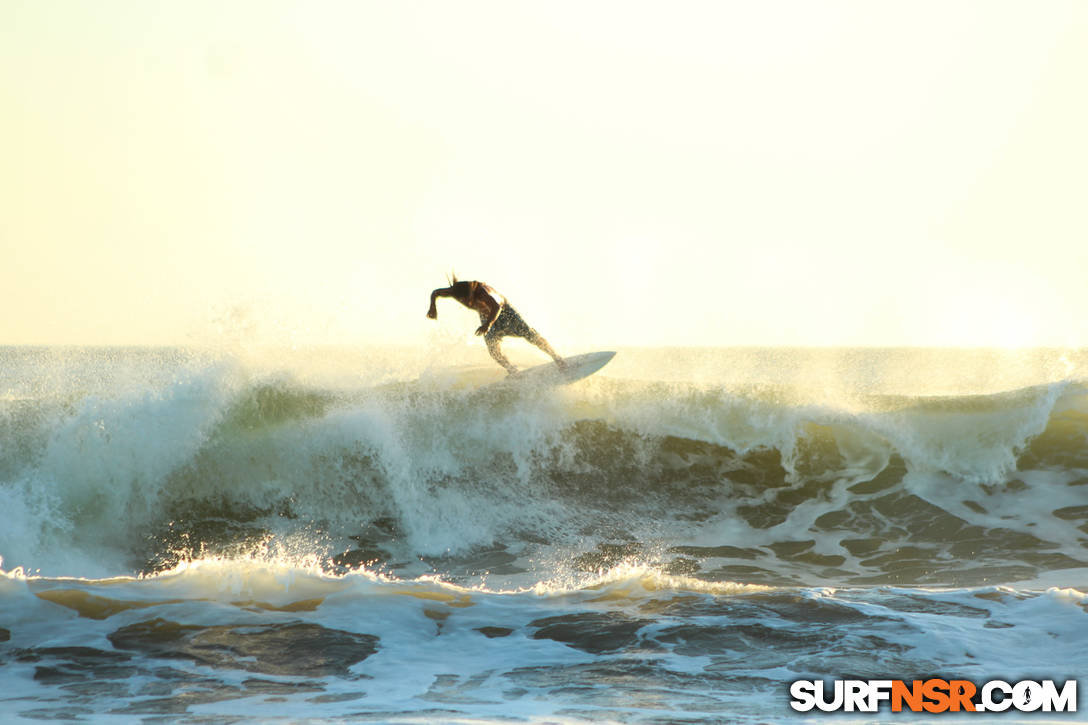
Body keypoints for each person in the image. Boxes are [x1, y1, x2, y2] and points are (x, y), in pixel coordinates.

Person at [426, 275, 565, 374]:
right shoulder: (454, 291)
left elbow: (496, 307)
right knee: (493, 350)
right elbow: (435, 292)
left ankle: (558, 359)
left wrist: (487, 325)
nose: (467, 303)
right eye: (463, 300)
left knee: (528, 334)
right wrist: (433, 307)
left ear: (472, 293)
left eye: (468, 299)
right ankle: (513, 371)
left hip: (504, 311)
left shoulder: (482, 291)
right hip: (485, 315)